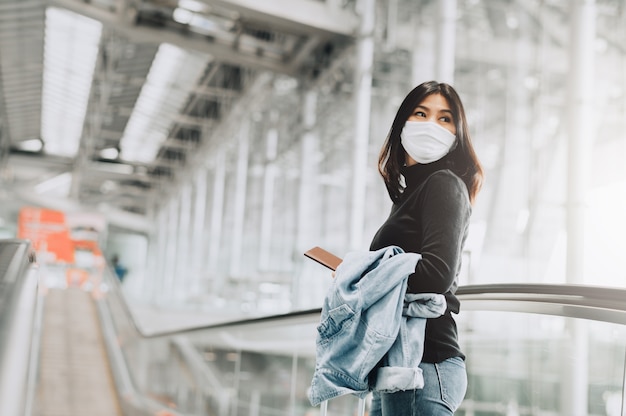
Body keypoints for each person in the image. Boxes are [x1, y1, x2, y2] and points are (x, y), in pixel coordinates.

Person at [368, 80, 484, 415]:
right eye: (422, 113)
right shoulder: (410, 195)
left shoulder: (444, 184)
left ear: (456, 134)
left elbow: (436, 275)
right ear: (403, 122)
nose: (432, 125)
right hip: (399, 364)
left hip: (424, 366)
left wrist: (365, 277)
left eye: (445, 118)